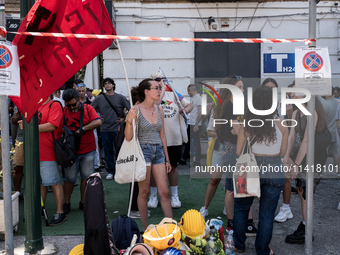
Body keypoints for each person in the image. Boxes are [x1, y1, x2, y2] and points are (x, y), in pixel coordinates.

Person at [234, 86, 288, 254]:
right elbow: (283, 152)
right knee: (267, 214)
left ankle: (239, 245)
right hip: (274, 169)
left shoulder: (247, 124)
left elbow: (238, 152)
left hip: (250, 168)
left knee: (242, 209)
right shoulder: (281, 124)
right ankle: (262, 250)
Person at [125, 78, 172, 230]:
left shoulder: (160, 109)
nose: (159, 91)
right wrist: (128, 121)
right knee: (144, 192)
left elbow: (162, 135)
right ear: (146, 91)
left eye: (159, 88)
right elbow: (128, 137)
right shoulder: (136, 110)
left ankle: (171, 229)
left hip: (158, 150)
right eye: (156, 88)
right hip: (142, 151)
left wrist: (167, 158)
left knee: (164, 191)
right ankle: (145, 229)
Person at [283, 95, 329, 244]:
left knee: (306, 194)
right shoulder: (297, 112)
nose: (293, 95)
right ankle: (305, 227)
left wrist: (295, 164)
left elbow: (307, 140)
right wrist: (286, 157)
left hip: (315, 157)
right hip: (303, 155)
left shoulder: (312, 111)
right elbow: (291, 137)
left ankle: (306, 231)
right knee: (303, 193)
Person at [147, 71, 192, 209]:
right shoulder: (151, 94)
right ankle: (153, 197)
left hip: (174, 138)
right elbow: (157, 103)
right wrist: (159, 89)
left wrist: (185, 109)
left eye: (162, 79)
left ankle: (174, 196)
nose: (161, 81)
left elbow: (189, 105)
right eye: (157, 79)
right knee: (155, 169)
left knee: (173, 167)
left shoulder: (174, 93)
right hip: (156, 138)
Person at [19, 95, 66, 226]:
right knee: (40, 183)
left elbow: (52, 125)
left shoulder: (54, 105)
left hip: (48, 151)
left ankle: (60, 212)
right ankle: (39, 209)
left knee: (53, 182)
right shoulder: (36, 105)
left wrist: (30, 127)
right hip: (34, 151)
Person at [62, 89, 102, 214]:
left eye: (73, 104)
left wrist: (82, 129)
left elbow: (98, 121)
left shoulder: (88, 109)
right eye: (68, 105)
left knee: (86, 178)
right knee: (69, 178)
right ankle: (66, 203)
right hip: (71, 151)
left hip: (88, 149)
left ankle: (83, 202)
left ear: (79, 99)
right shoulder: (64, 111)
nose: (71, 107)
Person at [91, 78, 131, 180]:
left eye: (109, 83)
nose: (107, 85)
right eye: (105, 84)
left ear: (113, 85)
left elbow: (131, 109)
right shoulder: (99, 98)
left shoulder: (120, 97)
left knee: (120, 150)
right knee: (108, 151)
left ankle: (121, 170)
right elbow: (90, 110)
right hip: (104, 129)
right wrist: (97, 117)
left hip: (118, 129)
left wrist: (123, 119)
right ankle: (110, 171)